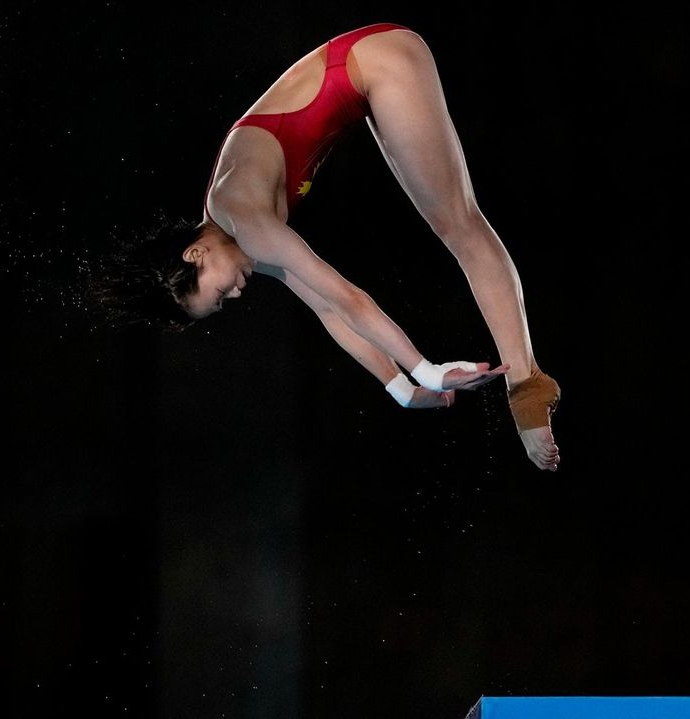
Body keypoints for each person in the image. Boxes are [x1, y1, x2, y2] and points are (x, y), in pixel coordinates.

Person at [93, 22, 561, 471]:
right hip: (367, 76)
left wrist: (429, 371)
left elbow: (348, 296)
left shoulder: (245, 219)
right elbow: (331, 312)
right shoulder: (237, 235)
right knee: (448, 228)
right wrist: (400, 387)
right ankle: (522, 386)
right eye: (222, 307)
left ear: (195, 254)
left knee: (458, 225)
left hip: (378, 59)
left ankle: (527, 389)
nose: (234, 297)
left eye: (218, 296)